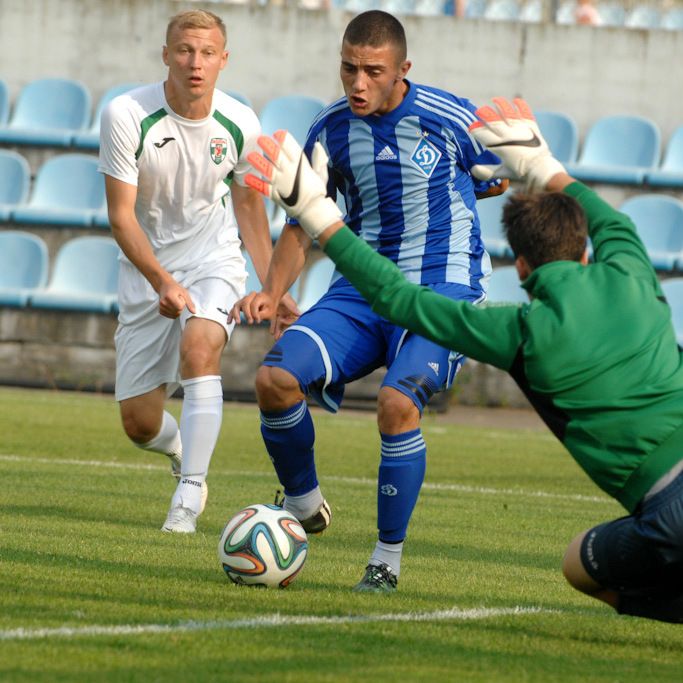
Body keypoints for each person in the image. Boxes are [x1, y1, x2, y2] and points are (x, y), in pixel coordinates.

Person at [244, 97, 683, 623]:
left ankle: (386, 560)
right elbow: (608, 216)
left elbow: (398, 300)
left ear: (519, 268)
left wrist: (318, 216)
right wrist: (544, 167)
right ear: (588, 249)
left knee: (580, 566)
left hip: (668, 507)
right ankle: (304, 502)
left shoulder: (521, 333)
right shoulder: (633, 266)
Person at [231, 10, 508, 592]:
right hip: (359, 291)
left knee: (394, 404)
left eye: (372, 71)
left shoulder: (448, 116)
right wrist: (273, 292)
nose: (357, 82)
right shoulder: (330, 128)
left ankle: (385, 560)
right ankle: (305, 504)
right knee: (274, 381)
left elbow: (496, 177)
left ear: (402, 70)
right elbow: (303, 223)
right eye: (348, 68)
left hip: (442, 289)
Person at [98, 9, 291, 533]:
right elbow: (120, 216)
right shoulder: (125, 114)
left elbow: (250, 208)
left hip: (214, 259)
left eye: (208, 53)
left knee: (200, 347)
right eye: (185, 50)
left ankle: (188, 495)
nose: (195, 63)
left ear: (223, 60)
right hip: (146, 270)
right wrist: (161, 280)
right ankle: (182, 449)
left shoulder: (240, 123)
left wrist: (274, 286)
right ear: (166, 55)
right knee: (138, 425)